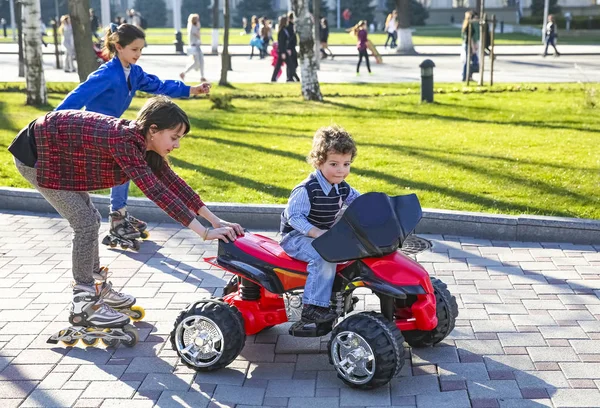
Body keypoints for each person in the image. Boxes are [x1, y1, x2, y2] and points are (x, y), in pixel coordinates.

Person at [8, 96, 243, 333]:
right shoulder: (125, 142)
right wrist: (203, 232)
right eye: (174, 137)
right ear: (153, 129)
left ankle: (96, 286)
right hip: (37, 156)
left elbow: (172, 183)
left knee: (91, 220)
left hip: (60, 156)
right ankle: (83, 301)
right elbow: (155, 191)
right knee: (85, 223)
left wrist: (214, 220)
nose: (177, 145)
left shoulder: (143, 146)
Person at [55, 23, 210, 248]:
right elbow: (79, 96)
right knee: (127, 166)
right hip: (95, 134)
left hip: (112, 132)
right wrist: (54, 120)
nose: (138, 55)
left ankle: (119, 214)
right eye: (134, 49)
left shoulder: (134, 73)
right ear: (119, 47)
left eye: (141, 50)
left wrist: (190, 90)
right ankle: (117, 218)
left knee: (128, 166)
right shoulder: (106, 73)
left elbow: (159, 85)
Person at [280, 125, 360, 323]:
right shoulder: (307, 189)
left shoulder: (342, 187)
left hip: (320, 234)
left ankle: (335, 295)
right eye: (334, 164)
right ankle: (313, 307)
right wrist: (316, 233)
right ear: (319, 162)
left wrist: (380, 207)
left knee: (352, 252)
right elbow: (295, 217)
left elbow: (360, 202)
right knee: (324, 257)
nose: (341, 170)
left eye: (346, 164)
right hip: (296, 237)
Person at [180, 13, 206, 82]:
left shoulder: (192, 26)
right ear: (194, 20)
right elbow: (198, 35)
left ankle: (202, 76)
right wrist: (198, 28)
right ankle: (184, 73)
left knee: (200, 61)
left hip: (196, 46)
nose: (198, 21)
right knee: (197, 62)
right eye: (197, 19)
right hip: (195, 47)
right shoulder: (193, 27)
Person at [271, 15, 288, 82]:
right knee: (290, 65)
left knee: (278, 66)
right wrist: (283, 52)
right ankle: (295, 78)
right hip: (282, 51)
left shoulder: (284, 30)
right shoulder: (282, 31)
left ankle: (273, 78)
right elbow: (281, 43)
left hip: (283, 51)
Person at [461, 11, 476, 81]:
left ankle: (467, 76)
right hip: (468, 44)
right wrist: (473, 47)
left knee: (467, 61)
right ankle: (465, 76)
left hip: (466, 44)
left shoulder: (466, 24)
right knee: (468, 61)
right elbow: (470, 37)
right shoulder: (470, 26)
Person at [285, 12, 300, 82]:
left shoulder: (292, 26)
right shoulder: (289, 27)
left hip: (292, 47)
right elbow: (289, 38)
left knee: (294, 63)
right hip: (290, 47)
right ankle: (290, 77)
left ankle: (291, 76)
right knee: (292, 63)